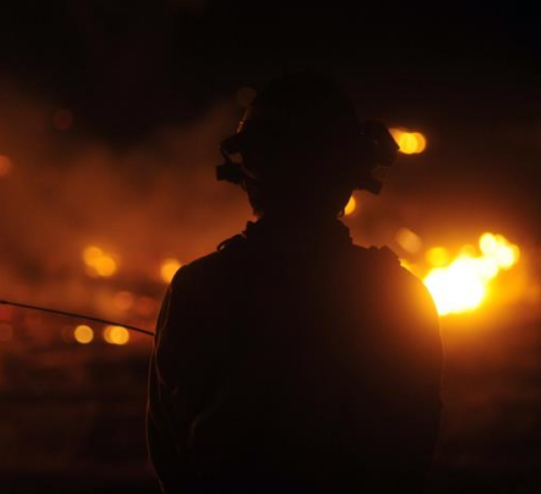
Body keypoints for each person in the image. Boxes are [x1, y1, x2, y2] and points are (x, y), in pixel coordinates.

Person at [147, 72, 444, 493]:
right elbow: (414, 446)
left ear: (249, 172)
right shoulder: (398, 295)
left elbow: (170, 451)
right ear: (349, 174)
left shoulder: (198, 288)